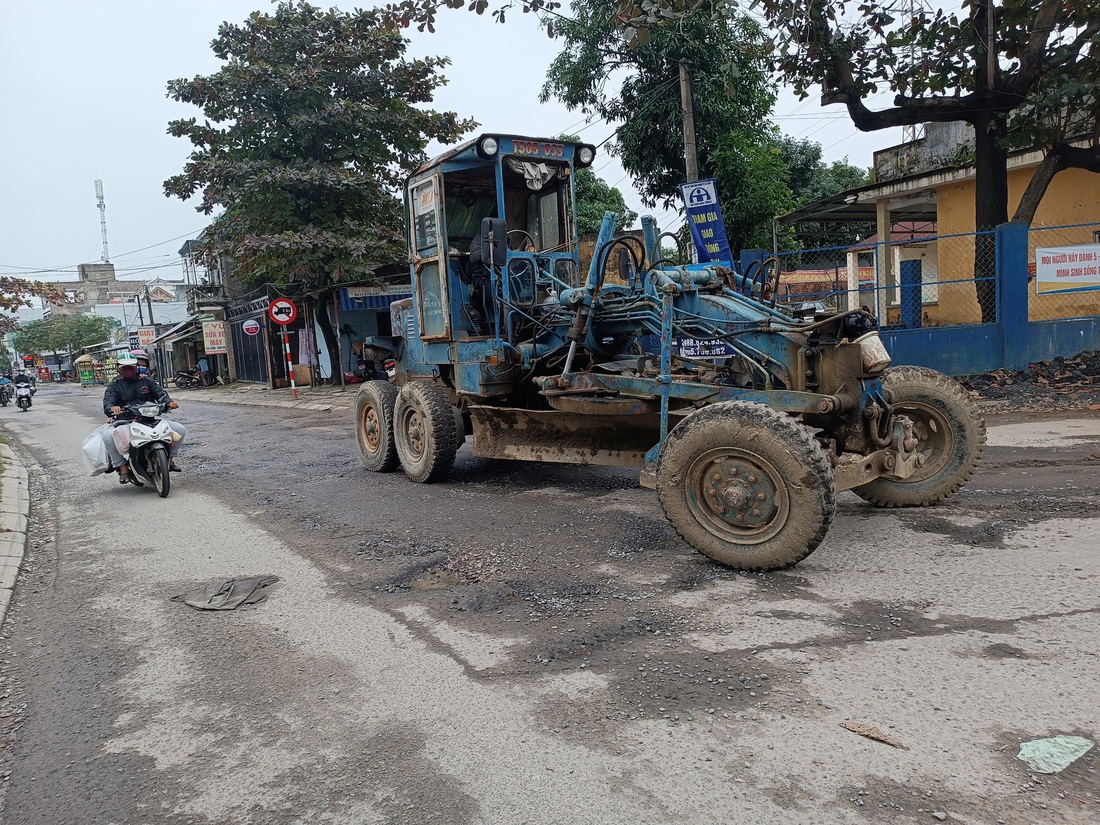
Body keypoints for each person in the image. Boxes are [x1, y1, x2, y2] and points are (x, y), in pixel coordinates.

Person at [102, 353, 187, 483]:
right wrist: (112, 408)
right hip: (126, 421)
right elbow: (108, 402)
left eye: (131, 367)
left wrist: (169, 402)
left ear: (136, 367)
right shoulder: (114, 385)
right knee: (108, 436)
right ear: (118, 368)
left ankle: (169, 460)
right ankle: (123, 468)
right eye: (125, 368)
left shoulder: (147, 381)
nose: (128, 370)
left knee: (180, 429)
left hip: (149, 420)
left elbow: (161, 394)